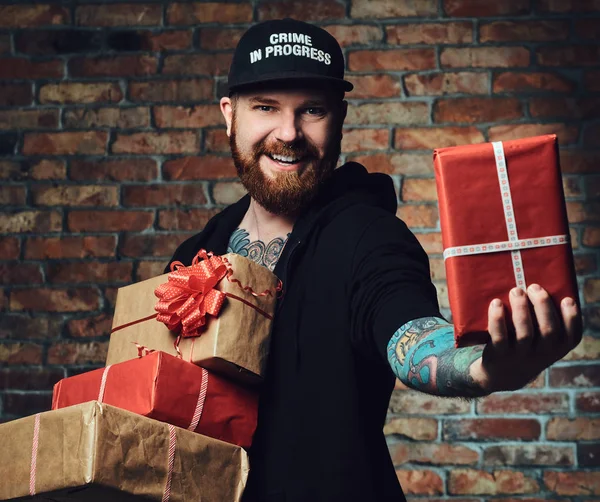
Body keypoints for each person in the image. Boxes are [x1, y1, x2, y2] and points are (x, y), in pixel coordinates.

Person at [166, 18, 583, 502]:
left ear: (339, 118)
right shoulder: (194, 255)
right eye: (265, 107)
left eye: (312, 110)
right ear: (229, 114)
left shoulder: (369, 237)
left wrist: (485, 366)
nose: (288, 132)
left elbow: (413, 333)